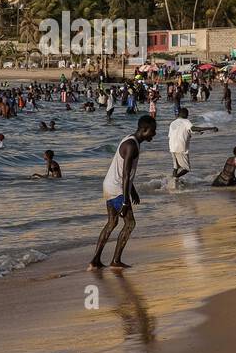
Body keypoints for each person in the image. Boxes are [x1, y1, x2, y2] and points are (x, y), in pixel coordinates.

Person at [89, 115, 156, 271]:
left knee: (112, 223)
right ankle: (116, 260)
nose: (154, 134)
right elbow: (125, 174)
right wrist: (126, 200)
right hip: (118, 189)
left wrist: (133, 191)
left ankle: (95, 261)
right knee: (130, 223)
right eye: (153, 131)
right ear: (144, 130)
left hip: (110, 186)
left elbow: (125, 172)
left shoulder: (131, 140)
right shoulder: (131, 145)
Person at [167, 107, 217, 179]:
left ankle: (174, 182)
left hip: (172, 147)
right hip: (181, 148)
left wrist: (197, 132)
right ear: (186, 115)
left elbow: (177, 134)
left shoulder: (173, 123)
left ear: (179, 114)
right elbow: (193, 128)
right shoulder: (186, 121)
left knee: (176, 167)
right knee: (186, 169)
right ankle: (175, 178)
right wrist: (211, 128)